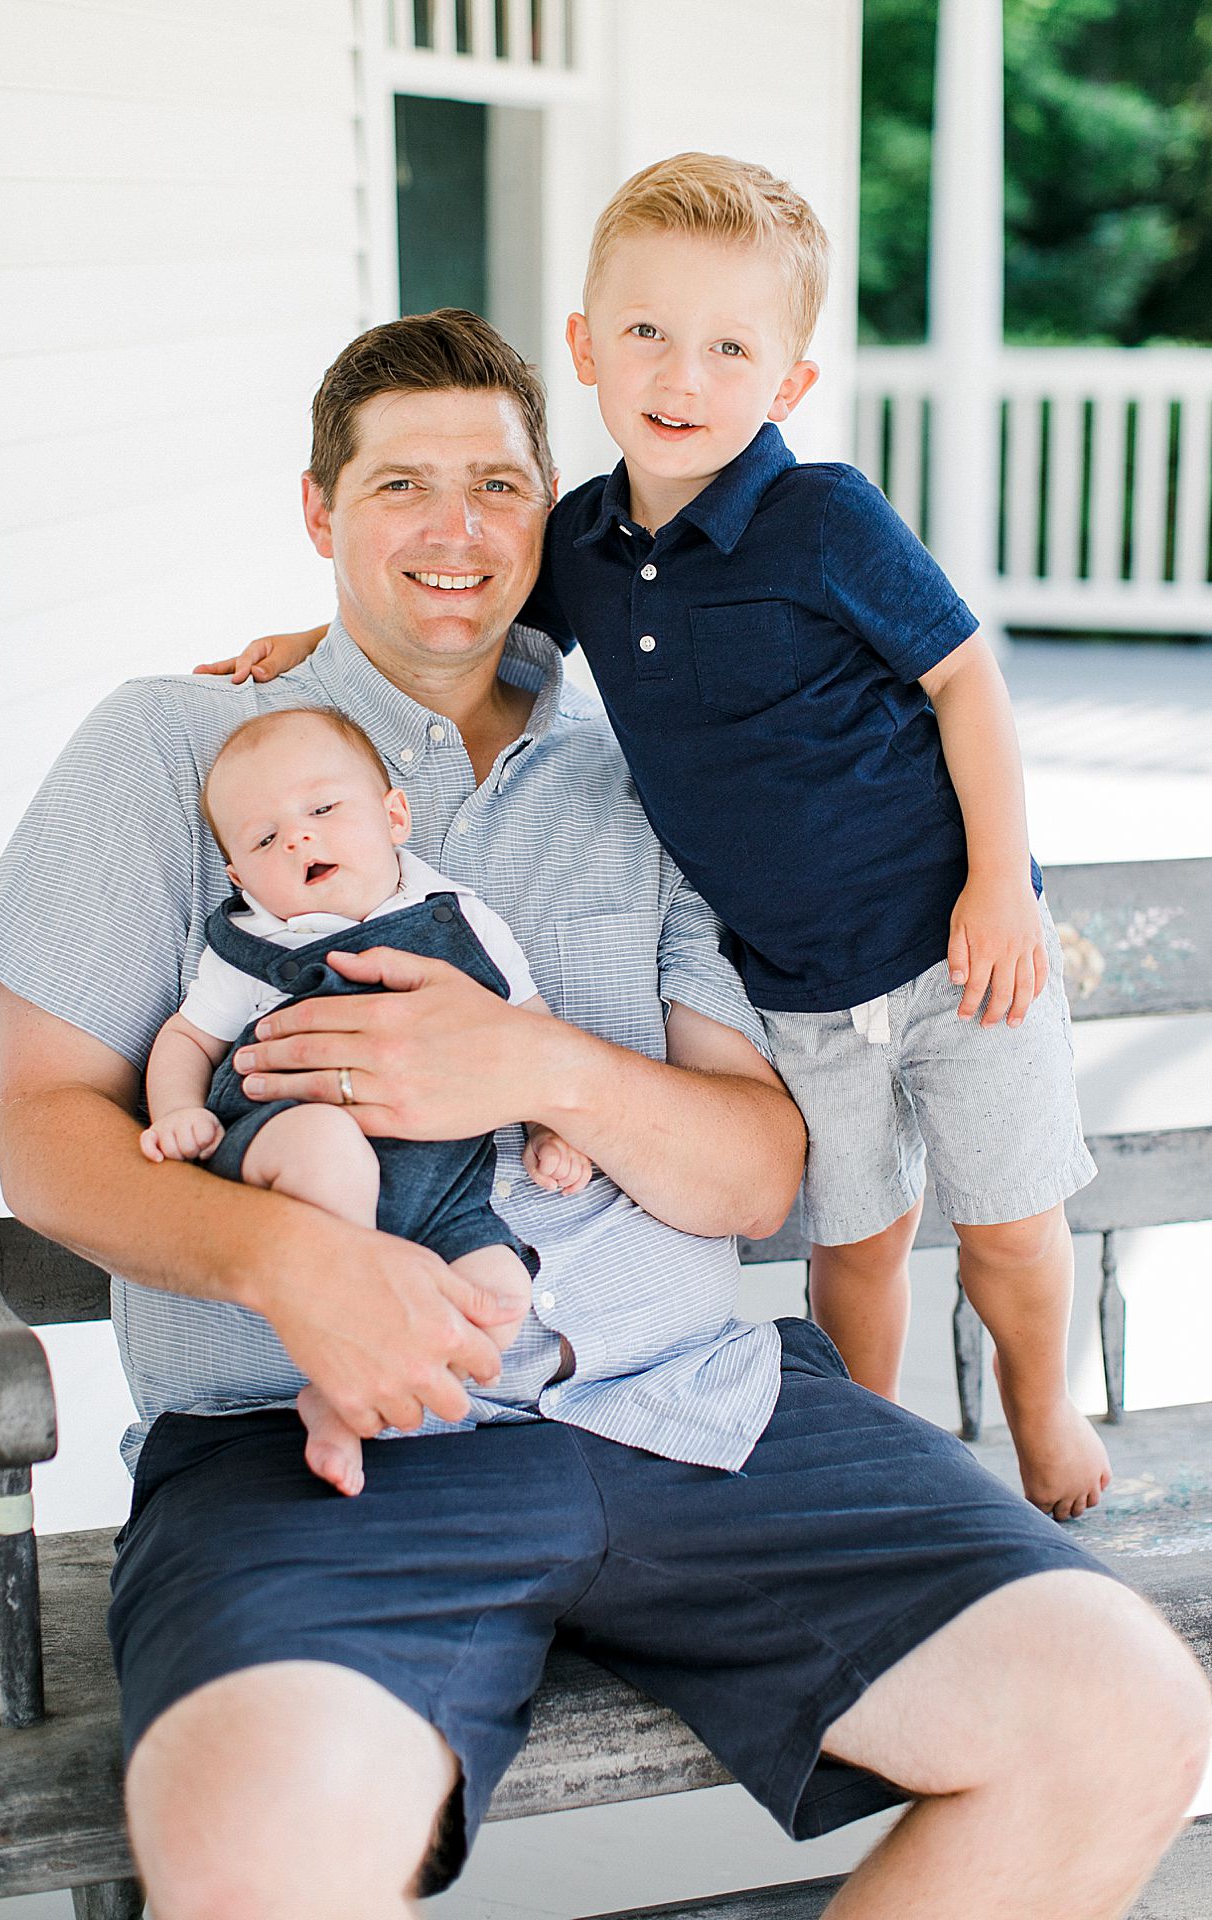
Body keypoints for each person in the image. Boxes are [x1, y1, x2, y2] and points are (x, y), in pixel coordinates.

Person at [0, 310, 1207, 1920]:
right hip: (320, 1455)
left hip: (704, 1414)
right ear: (320, 515)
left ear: (552, 520)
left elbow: (760, 1175)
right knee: (258, 1847)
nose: (456, 530)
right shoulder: (175, 749)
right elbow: (49, 1132)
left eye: (497, 486)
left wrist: (539, 1065)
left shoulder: (653, 773)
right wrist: (298, 1268)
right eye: (402, 486)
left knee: (1125, 1717)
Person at [233, 155, 1105, 1524]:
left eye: (728, 347)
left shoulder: (828, 519)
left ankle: (1042, 1415)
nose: (679, 374)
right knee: (857, 1251)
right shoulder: (580, 544)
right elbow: (483, 627)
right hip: (797, 988)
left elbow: (965, 681)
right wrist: (321, 641)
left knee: (1004, 1229)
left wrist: (1002, 883)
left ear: (789, 384)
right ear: (585, 345)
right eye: (644, 331)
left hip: (954, 949)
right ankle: (882, 1459)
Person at [142, 702, 591, 1495]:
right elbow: (187, 1039)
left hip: (442, 1190)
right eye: (263, 838)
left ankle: (342, 1403)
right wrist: (178, 1110)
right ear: (242, 880)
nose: (298, 838)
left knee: (500, 1294)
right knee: (329, 1149)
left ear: (394, 817)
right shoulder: (258, 942)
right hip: (284, 1129)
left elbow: (530, 1032)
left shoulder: (463, 920)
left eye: (322, 809)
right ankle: (347, 1311)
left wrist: (554, 1124)